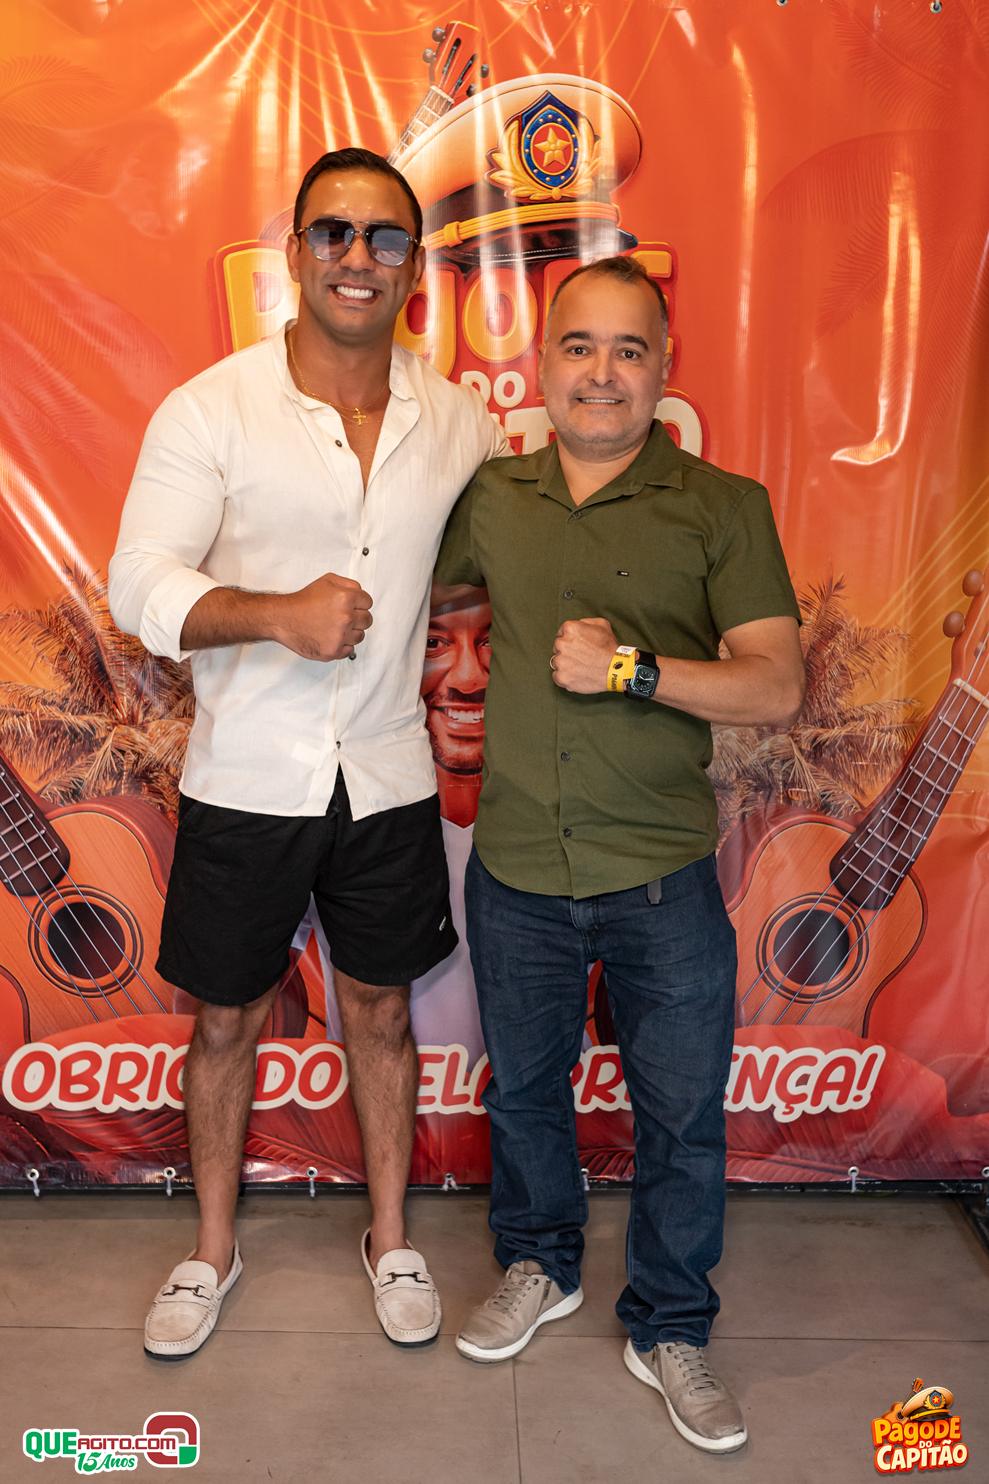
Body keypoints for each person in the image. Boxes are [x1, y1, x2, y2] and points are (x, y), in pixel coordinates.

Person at [108, 146, 507, 1359]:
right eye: (333, 231)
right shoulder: (210, 408)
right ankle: (210, 1250)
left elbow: (499, 561)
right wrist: (276, 611)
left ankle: (390, 1237)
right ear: (295, 253)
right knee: (226, 1018)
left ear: (414, 266)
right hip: (247, 772)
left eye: (384, 236)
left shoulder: (459, 419)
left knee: (378, 1009)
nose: (357, 256)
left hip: (385, 770)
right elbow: (138, 584)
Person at [434, 256, 805, 1454]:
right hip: (516, 872)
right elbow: (382, 575)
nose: (600, 372)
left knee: (681, 1118)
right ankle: (539, 1262)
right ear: (540, 363)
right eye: (578, 345)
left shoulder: (721, 504)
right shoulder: (489, 496)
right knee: (524, 1093)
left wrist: (633, 667)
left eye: (627, 349)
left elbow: (775, 683)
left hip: (661, 880)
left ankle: (670, 1324)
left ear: (662, 367)